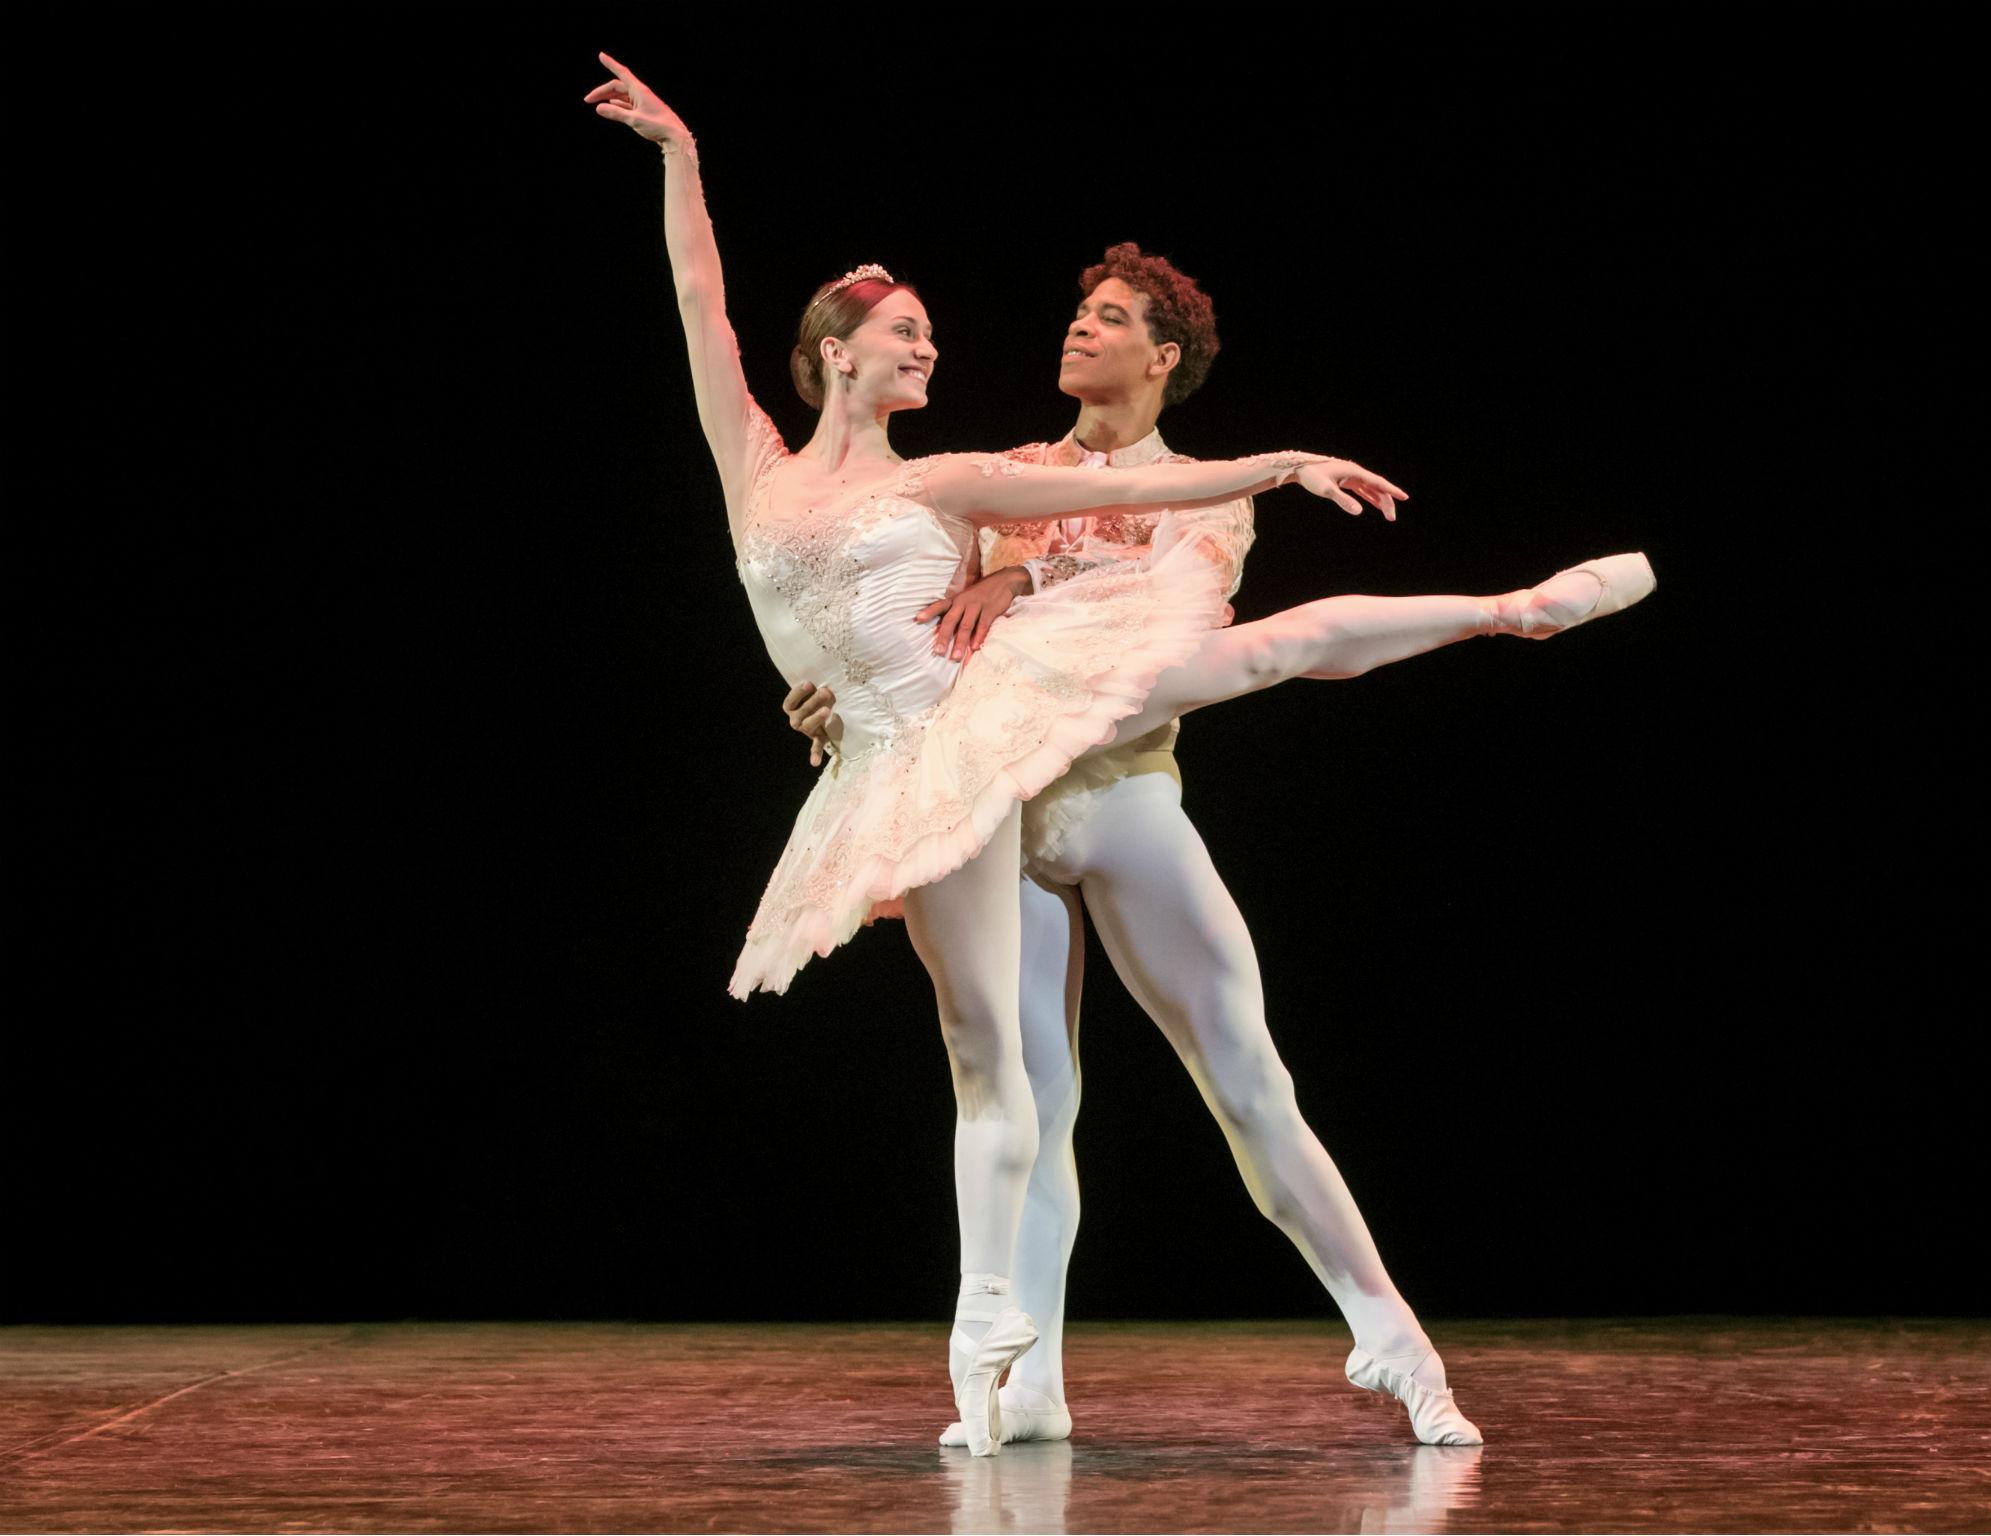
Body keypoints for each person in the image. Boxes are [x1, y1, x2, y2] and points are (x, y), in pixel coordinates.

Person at [587, 54, 1652, 1456]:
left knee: (1246, 1079)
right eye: (1076, 310)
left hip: (1127, 792)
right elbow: (884, 608)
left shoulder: (1184, 509)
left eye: (1105, 318)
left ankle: (1391, 1338)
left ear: (1161, 357)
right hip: (1006, 804)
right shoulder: (980, 470)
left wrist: (1085, 557)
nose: (1071, 329)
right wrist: (832, 695)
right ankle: (1023, 1384)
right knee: (1034, 1097)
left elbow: (1168, 623)